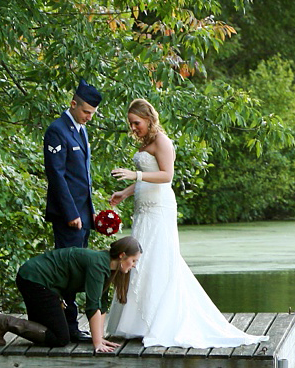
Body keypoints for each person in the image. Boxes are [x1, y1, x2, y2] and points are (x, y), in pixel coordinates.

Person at [105, 98, 267, 348]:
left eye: (136, 123)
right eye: (131, 124)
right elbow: (147, 179)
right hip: (143, 208)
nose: (133, 128)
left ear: (148, 119)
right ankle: (135, 323)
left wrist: (135, 174)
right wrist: (125, 193)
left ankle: (158, 322)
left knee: (157, 259)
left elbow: (166, 176)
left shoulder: (162, 141)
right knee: (139, 260)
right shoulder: (146, 142)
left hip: (159, 209)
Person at [0, 236, 142, 353]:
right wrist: (97, 343)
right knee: (60, 338)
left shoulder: (108, 268)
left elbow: (101, 304)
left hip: (47, 285)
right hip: (35, 279)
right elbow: (92, 306)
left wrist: (100, 338)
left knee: (52, 332)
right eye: (133, 260)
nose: (134, 265)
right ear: (122, 256)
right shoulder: (98, 264)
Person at [44, 78, 102, 343]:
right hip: (68, 216)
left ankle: (72, 324)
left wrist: (90, 211)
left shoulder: (80, 130)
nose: (89, 117)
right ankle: (67, 325)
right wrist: (71, 214)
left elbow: (83, 177)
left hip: (83, 214)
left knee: (78, 270)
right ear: (73, 104)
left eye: (92, 113)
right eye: (86, 111)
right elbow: (56, 176)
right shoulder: (57, 130)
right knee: (67, 269)